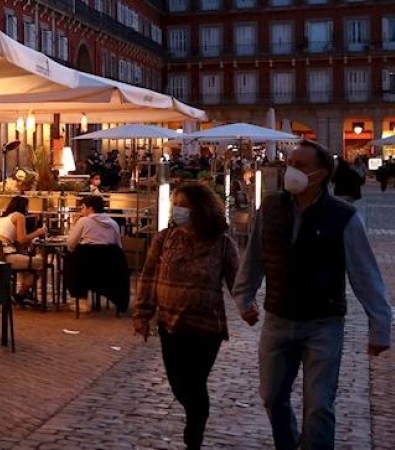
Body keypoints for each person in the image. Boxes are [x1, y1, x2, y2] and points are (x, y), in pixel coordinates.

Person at [232, 140, 392, 450]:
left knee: (319, 406)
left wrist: (380, 326)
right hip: (277, 318)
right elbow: (255, 256)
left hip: (324, 323)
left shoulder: (343, 216)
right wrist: (244, 296)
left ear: (320, 174)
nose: (291, 170)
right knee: (272, 398)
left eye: (300, 165)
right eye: (290, 162)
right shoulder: (272, 207)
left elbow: (365, 274)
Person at [133, 182, 240, 450]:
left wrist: (246, 306)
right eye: (175, 204)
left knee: (195, 382)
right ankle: (196, 418)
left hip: (206, 326)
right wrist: (142, 314)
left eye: (184, 204)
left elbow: (236, 282)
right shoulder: (164, 239)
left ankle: (194, 434)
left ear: (200, 209)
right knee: (178, 384)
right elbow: (148, 277)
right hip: (171, 324)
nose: (178, 209)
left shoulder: (222, 244)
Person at [0, 196, 46, 306]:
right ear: (23, 206)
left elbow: (17, 241)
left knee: (26, 267)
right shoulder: (19, 216)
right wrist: (38, 232)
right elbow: (22, 239)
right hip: (6, 255)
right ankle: (21, 294)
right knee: (41, 264)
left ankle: (23, 294)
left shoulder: (4, 217)